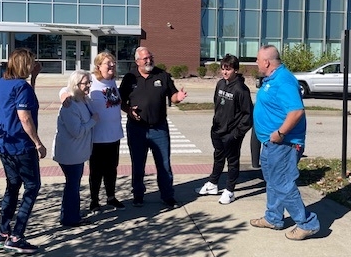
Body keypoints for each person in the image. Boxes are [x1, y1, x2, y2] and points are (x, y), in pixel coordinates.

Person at [250, 45, 320, 240]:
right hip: (272, 143)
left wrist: (280, 133)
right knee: (273, 181)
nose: (256, 63)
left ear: (266, 62)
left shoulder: (284, 80)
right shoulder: (272, 78)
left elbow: (296, 111)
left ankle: (307, 223)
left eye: (257, 59)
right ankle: (273, 218)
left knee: (282, 182)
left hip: (284, 143)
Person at [0, 48, 46, 254]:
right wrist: (38, 143)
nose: (34, 64)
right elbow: (25, 117)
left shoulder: (2, 84)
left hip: (3, 142)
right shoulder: (21, 87)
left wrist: (34, 79)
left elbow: (25, 101)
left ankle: (3, 232)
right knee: (32, 186)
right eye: (31, 62)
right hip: (20, 145)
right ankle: (17, 236)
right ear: (25, 64)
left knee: (13, 186)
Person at [119, 47, 187, 208]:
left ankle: (168, 196)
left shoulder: (162, 75)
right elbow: (120, 101)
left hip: (159, 129)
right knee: (138, 164)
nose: (149, 60)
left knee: (163, 164)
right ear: (137, 62)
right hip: (136, 129)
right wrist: (128, 110)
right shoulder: (129, 78)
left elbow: (173, 95)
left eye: (151, 57)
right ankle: (138, 195)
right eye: (145, 59)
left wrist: (179, 97)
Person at [60, 51, 124, 212]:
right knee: (96, 171)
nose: (112, 65)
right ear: (98, 66)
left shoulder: (113, 83)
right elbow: (68, 87)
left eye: (113, 62)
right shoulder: (92, 81)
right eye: (108, 63)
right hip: (97, 137)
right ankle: (94, 201)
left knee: (112, 169)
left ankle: (111, 197)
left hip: (114, 135)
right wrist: (64, 95)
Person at [195, 54, 253, 204]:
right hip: (217, 130)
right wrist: (215, 125)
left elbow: (248, 116)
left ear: (235, 70)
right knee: (218, 157)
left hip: (232, 134)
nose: (225, 72)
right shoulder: (220, 84)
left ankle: (230, 191)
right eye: (223, 69)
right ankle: (213, 184)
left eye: (228, 69)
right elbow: (217, 104)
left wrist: (236, 134)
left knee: (232, 162)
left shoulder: (241, 89)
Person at [53, 70, 98, 227]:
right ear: (76, 84)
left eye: (89, 82)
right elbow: (77, 132)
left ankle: (71, 213)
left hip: (77, 153)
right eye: (85, 83)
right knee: (73, 186)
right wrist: (93, 121)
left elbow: (64, 90)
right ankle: (70, 218)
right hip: (70, 154)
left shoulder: (82, 100)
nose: (88, 86)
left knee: (73, 185)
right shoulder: (70, 105)